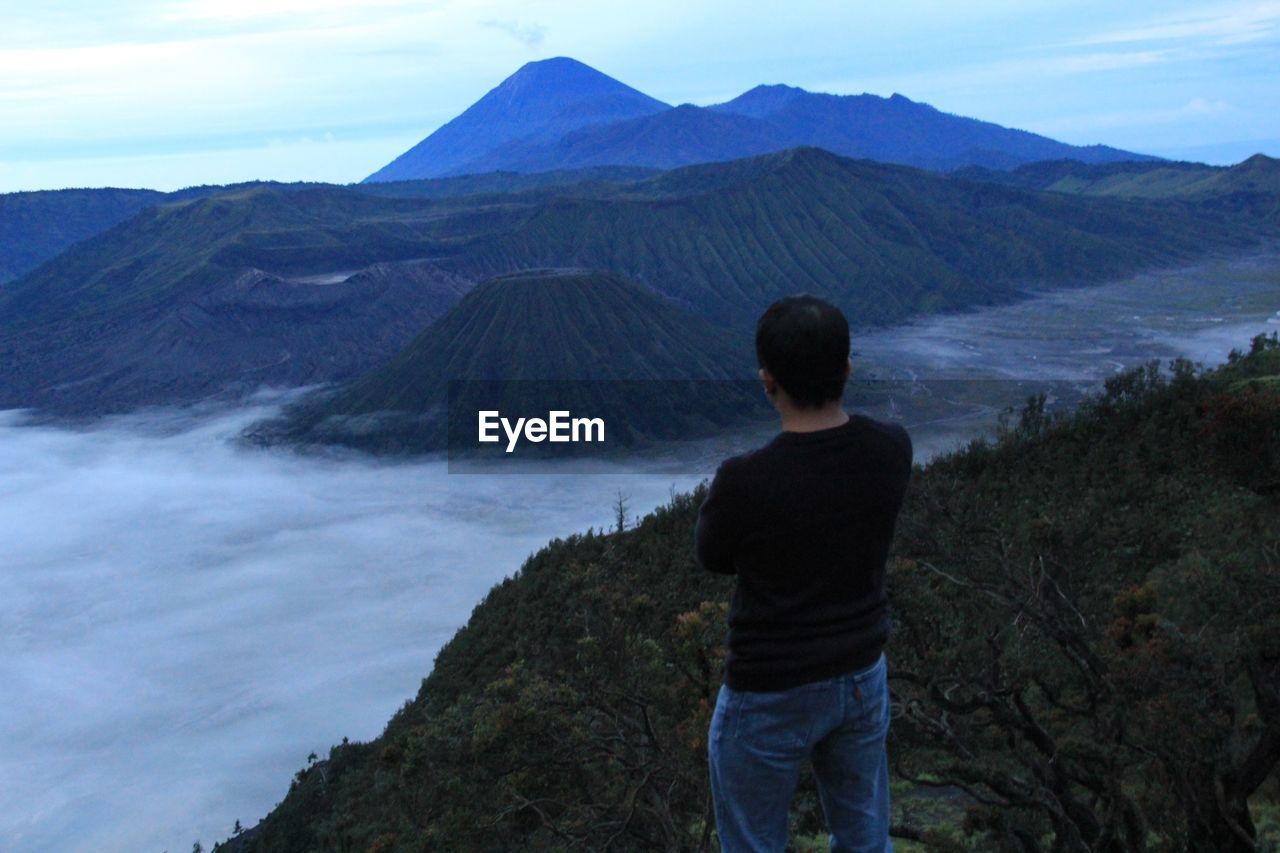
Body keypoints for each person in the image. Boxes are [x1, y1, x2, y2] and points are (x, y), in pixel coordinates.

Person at [694, 294, 912, 852]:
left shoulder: (744, 481)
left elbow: (713, 555)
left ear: (767, 381)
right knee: (866, 839)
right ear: (846, 369)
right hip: (862, 674)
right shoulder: (892, 449)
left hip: (770, 688)